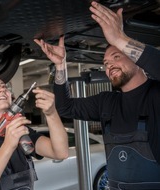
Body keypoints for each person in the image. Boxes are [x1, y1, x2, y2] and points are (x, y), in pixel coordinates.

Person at [34, 1, 160, 189]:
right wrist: (61, 66)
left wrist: (119, 38)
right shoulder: (106, 102)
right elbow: (65, 108)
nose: (109, 66)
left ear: (137, 60)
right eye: (106, 63)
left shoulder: (156, 95)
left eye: (117, 57)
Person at [0, 76, 68, 190]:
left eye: (3, 86)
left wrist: (52, 113)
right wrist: (8, 146)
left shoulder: (21, 131)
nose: (2, 89)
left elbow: (60, 152)